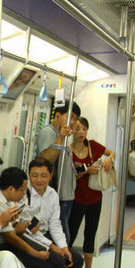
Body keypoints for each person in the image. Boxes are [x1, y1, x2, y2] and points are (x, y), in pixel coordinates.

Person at [0, 166, 73, 268]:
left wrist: (25, 228)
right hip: (3, 245)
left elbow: (17, 229)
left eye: (44, 175)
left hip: (22, 236)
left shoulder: (12, 200)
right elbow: (11, 237)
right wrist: (36, 253)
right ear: (11, 189)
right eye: (22, 191)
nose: (24, 194)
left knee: (59, 261)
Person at [68, 117, 114, 268]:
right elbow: (70, 176)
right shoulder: (69, 151)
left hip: (95, 196)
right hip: (77, 197)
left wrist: (109, 159)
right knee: (71, 233)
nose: (81, 132)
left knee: (91, 232)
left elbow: (111, 152)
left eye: (84, 129)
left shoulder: (93, 145)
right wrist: (86, 171)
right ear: (72, 130)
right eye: (78, 128)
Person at [34, 102, 81, 242]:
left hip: (66, 194)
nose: (72, 122)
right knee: (62, 238)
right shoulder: (49, 132)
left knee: (65, 236)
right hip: (58, 194)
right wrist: (60, 137)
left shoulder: (65, 135)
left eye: (75, 118)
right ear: (58, 115)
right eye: (70, 117)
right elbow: (46, 161)